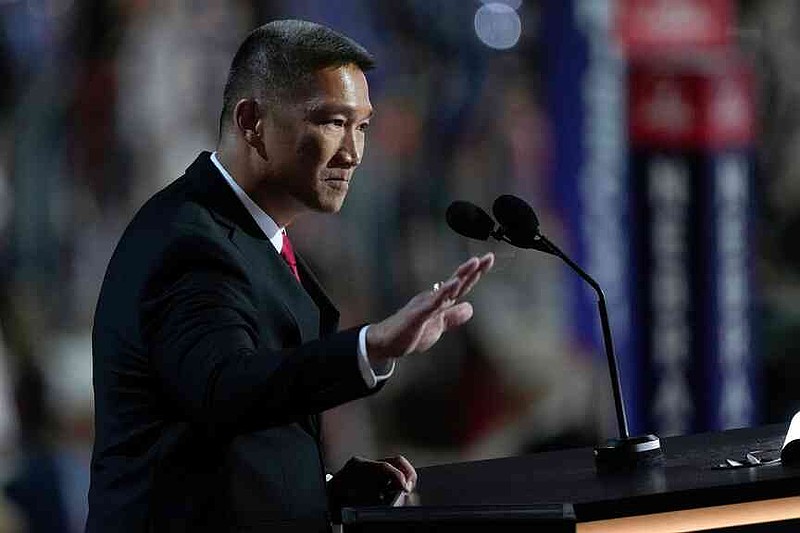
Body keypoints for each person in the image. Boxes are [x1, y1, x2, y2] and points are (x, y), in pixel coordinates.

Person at [87, 19, 494, 532]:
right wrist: (369, 347)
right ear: (252, 121)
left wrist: (318, 489)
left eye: (362, 126)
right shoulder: (189, 243)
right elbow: (228, 390)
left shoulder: (250, 233)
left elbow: (225, 442)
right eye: (330, 121)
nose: (353, 152)